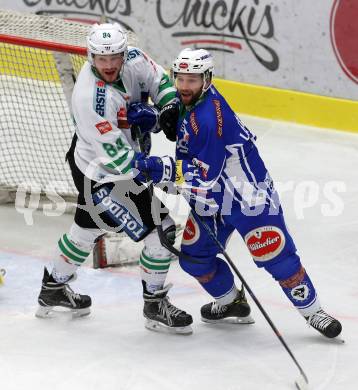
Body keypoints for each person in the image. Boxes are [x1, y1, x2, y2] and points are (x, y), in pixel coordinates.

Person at [132, 48, 343, 339]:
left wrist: (162, 168)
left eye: (192, 80)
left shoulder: (209, 118)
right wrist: (157, 119)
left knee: (277, 256)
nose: (184, 86)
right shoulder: (191, 101)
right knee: (194, 258)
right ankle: (231, 302)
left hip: (247, 199)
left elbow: (204, 174)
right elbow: (181, 131)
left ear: (206, 80)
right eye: (180, 78)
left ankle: (314, 312)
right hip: (211, 200)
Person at [36, 23, 193, 335]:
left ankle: (52, 288)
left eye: (114, 57)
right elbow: (121, 162)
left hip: (95, 163)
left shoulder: (133, 58)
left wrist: (169, 107)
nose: (108, 65)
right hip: (104, 176)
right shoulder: (88, 98)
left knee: (87, 227)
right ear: (90, 56)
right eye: (100, 58)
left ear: (123, 53)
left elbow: (159, 80)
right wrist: (162, 169)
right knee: (161, 229)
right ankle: (154, 304)